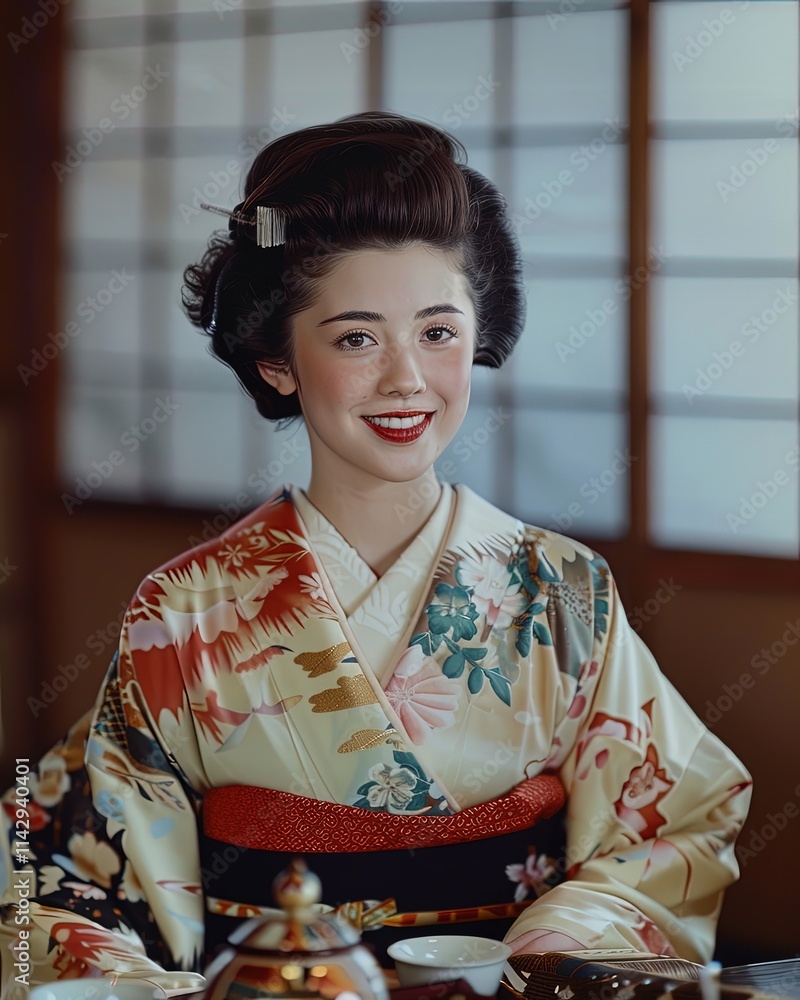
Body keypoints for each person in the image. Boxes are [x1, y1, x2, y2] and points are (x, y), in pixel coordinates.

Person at [0, 112, 751, 991]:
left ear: (482, 334)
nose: (406, 378)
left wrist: (557, 947)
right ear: (278, 360)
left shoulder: (561, 586)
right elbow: (66, 876)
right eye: (357, 338)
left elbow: (675, 822)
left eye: (438, 333)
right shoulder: (186, 610)